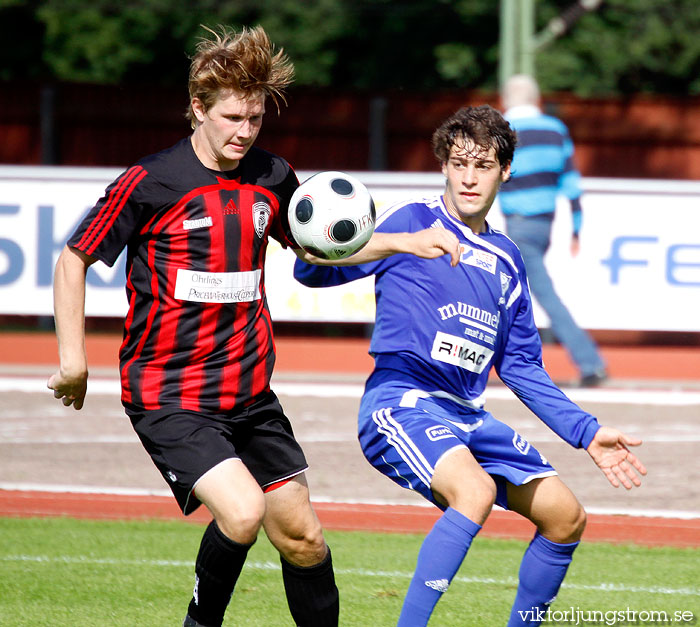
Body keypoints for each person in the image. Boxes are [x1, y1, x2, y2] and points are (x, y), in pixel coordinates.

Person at [46, 25, 460, 627]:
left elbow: (316, 247)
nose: (245, 132)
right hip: (171, 393)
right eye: (233, 118)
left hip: (248, 393)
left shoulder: (271, 175)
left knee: (303, 538)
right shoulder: (151, 181)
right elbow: (73, 257)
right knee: (240, 514)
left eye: (256, 119)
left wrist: (406, 241)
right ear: (197, 109)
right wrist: (74, 361)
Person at [294, 105, 646, 626]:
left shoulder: (507, 260)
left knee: (566, 517)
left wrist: (586, 432)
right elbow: (310, 268)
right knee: (474, 492)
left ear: (505, 172)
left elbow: (522, 366)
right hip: (402, 402)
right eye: (459, 163)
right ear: (443, 165)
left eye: (482, 165)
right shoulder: (412, 219)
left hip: (468, 414)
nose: (468, 176)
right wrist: (398, 243)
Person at [499, 74, 607, 387]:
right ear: (537, 100)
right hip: (544, 224)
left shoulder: (501, 130)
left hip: (518, 222)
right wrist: (575, 228)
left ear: (506, 100)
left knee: (536, 293)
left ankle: (590, 362)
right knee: (511, 292)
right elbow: (571, 183)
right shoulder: (555, 129)